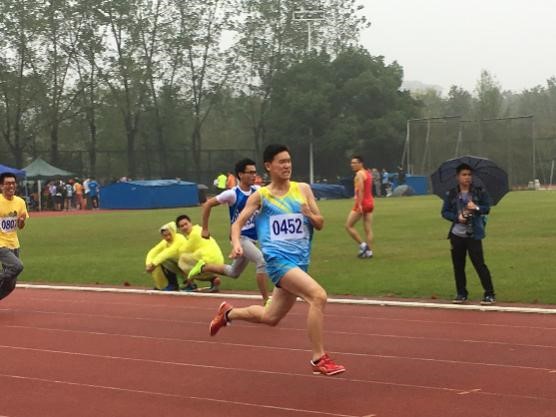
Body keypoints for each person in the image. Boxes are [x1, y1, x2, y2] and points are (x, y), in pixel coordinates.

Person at [208, 144, 346, 376]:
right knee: (318, 296)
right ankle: (319, 358)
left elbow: (320, 223)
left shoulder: (303, 189)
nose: (287, 165)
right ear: (269, 166)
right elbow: (237, 223)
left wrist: (309, 214)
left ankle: (228, 313)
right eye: (281, 162)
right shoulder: (261, 195)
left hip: (299, 261)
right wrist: (236, 244)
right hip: (277, 261)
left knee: (270, 317)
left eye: (289, 161)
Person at [189, 158, 269, 304]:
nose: (254, 175)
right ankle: (266, 300)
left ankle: (203, 266)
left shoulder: (258, 191)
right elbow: (207, 204)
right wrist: (205, 228)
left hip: (253, 238)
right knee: (261, 261)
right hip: (240, 238)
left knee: (234, 272)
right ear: (240, 174)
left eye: (255, 172)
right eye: (250, 172)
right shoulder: (232, 194)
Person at [441, 163, 496, 305]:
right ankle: (461, 293)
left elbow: (487, 208)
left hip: (473, 234)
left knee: (479, 264)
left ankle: (489, 293)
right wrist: (457, 217)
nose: (467, 177)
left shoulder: (479, 192)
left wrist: (476, 207)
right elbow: (444, 212)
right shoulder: (451, 193)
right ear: (457, 177)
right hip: (457, 234)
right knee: (458, 266)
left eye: (469, 174)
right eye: (464, 174)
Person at [176, 214, 224, 292]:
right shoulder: (199, 229)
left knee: (182, 260)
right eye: (182, 226)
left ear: (190, 223)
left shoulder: (194, 235)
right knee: (195, 259)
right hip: (219, 262)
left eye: (186, 224)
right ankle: (213, 279)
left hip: (209, 262)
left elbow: (183, 250)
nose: (184, 227)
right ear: (179, 229)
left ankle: (193, 282)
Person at [0, 173, 28, 301]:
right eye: (7, 183)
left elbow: (20, 226)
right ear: (1, 186)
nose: (11, 186)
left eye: (13, 183)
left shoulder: (20, 202)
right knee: (17, 266)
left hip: (14, 244)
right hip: (1, 244)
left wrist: (21, 221)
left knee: (10, 286)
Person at [345, 155, 374, 258]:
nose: (352, 165)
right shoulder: (368, 173)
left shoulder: (359, 174)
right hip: (370, 202)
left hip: (362, 203)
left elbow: (360, 189)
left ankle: (363, 245)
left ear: (361, 163)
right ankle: (369, 252)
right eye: (351, 163)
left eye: (354, 163)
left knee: (348, 226)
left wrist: (360, 205)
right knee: (368, 229)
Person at [145, 222, 186, 291]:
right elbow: (153, 251)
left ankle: (188, 283)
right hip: (180, 264)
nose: (168, 237)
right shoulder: (165, 242)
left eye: (169, 234)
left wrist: (153, 264)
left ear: (173, 232)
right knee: (160, 259)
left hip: (190, 264)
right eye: (165, 235)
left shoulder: (180, 239)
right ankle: (164, 285)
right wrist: (148, 263)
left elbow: (168, 252)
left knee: (163, 259)